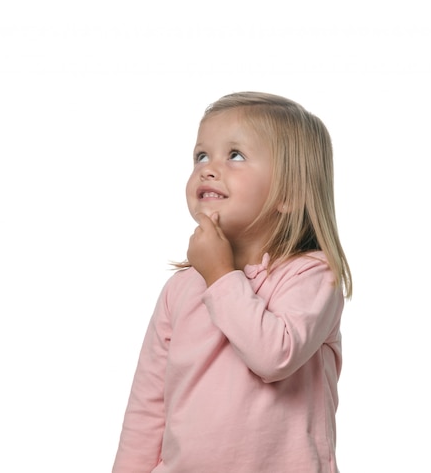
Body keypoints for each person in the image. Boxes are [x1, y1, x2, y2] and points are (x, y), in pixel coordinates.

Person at [112, 91, 352, 473]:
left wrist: (220, 275)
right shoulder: (181, 289)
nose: (207, 169)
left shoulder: (312, 275)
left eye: (235, 155)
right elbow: (148, 405)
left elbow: (274, 356)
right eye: (201, 155)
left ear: (287, 193)